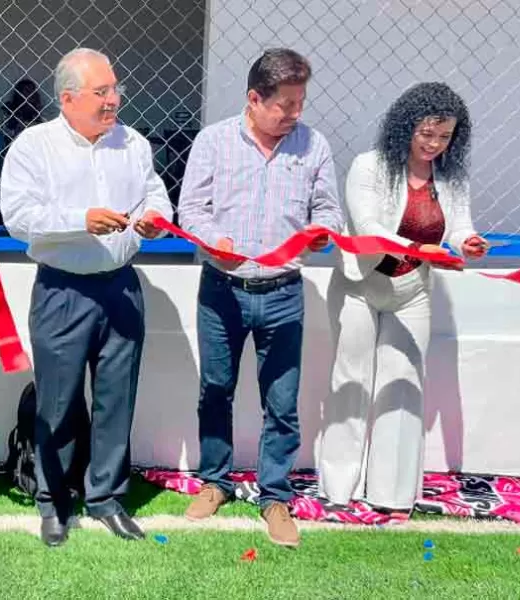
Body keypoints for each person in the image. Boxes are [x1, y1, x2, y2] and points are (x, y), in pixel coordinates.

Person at [0, 48, 172, 547]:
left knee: (118, 396)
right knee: (58, 400)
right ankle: (53, 501)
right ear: (68, 98)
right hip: (62, 289)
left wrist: (155, 219)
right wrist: (82, 220)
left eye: (116, 89)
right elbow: (18, 217)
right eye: (102, 92)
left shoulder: (134, 144)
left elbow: (154, 193)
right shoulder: (34, 147)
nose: (113, 100)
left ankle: (106, 497)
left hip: (121, 285)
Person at [178, 48, 343, 548]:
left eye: (300, 103)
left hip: (284, 294)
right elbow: (191, 210)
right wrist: (212, 239)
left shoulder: (313, 147)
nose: (295, 113)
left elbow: (329, 213)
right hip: (222, 290)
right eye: (286, 104)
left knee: (282, 402)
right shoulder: (212, 143)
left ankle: (274, 497)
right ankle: (215, 482)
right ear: (254, 98)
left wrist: (321, 233)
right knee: (215, 390)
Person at [319, 82, 485, 514]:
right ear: (405, 127)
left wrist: (469, 242)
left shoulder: (450, 176)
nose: (434, 144)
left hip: (413, 292)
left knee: (404, 385)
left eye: (445, 136)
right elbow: (370, 227)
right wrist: (420, 249)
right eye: (426, 133)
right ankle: (338, 490)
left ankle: (392, 495)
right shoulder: (369, 166)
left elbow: (459, 225)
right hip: (360, 285)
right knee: (352, 382)